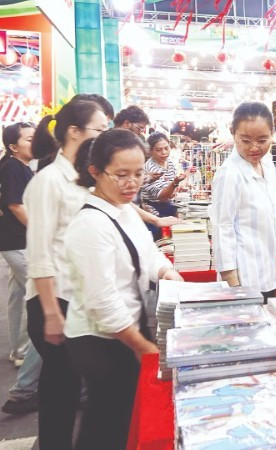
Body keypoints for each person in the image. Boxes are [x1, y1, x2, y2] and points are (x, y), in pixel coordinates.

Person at [65, 129, 181, 450]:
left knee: (118, 416)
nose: (132, 183)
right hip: (102, 339)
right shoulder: (90, 226)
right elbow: (103, 303)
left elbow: (149, 253)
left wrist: (167, 272)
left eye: (138, 173)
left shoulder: (125, 210)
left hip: (128, 328)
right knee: (107, 419)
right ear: (95, 172)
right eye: (121, 175)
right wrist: (142, 346)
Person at [25, 98, 109, 449]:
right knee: (61, 391)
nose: (106, 136)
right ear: (75, 132)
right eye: (101, 130)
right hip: (52, 300)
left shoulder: (81, 179)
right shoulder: (48, 181)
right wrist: (50, 313)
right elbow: (40, 253)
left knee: (72, 389)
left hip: (76, 300)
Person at [210, 102, 276, 299]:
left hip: (268, 275)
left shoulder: (267, 166)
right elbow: (222, 226)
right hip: (243, 280)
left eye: (262, 140)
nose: (254, 148)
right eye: (245, 140)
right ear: (233, 134)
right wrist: (232, 282)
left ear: (272, 134)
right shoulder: (230, 173)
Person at [0, 122, 42, 415]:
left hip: (15, 240)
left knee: (18, 292)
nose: (35, 142)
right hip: (18, 241)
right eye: (29, 139)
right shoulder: (14, 166)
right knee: (40, 297)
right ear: (14, 146)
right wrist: (43, 231)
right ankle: (25, 359)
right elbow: (15, 205)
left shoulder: (19, 165)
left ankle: (18, 348)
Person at [141, 132, 186, 218]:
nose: (164, 152)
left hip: (168, 205)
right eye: (159, 150)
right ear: (151, 151)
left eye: (166, 148)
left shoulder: (169, 162)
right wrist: (174, 184)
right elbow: (162, 196)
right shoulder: (150, 168)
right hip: (154, 210)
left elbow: (169, 189)